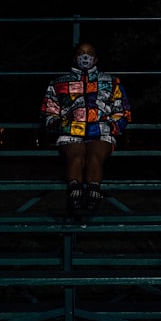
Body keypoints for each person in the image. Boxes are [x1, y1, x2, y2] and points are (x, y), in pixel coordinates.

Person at [40, 42, 131, 220]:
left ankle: (92, 195)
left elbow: (122, 113)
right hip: (70, 134)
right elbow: (49, 115)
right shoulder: (59, 83)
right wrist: (72, 128)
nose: (85, 57)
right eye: (81, 53)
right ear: (75, 58)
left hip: (101, 134)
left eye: (89, 53)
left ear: (96, 58)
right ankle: (74, 197)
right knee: (76, 157)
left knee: (95, 156)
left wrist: (105, 127)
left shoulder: (111, 82)